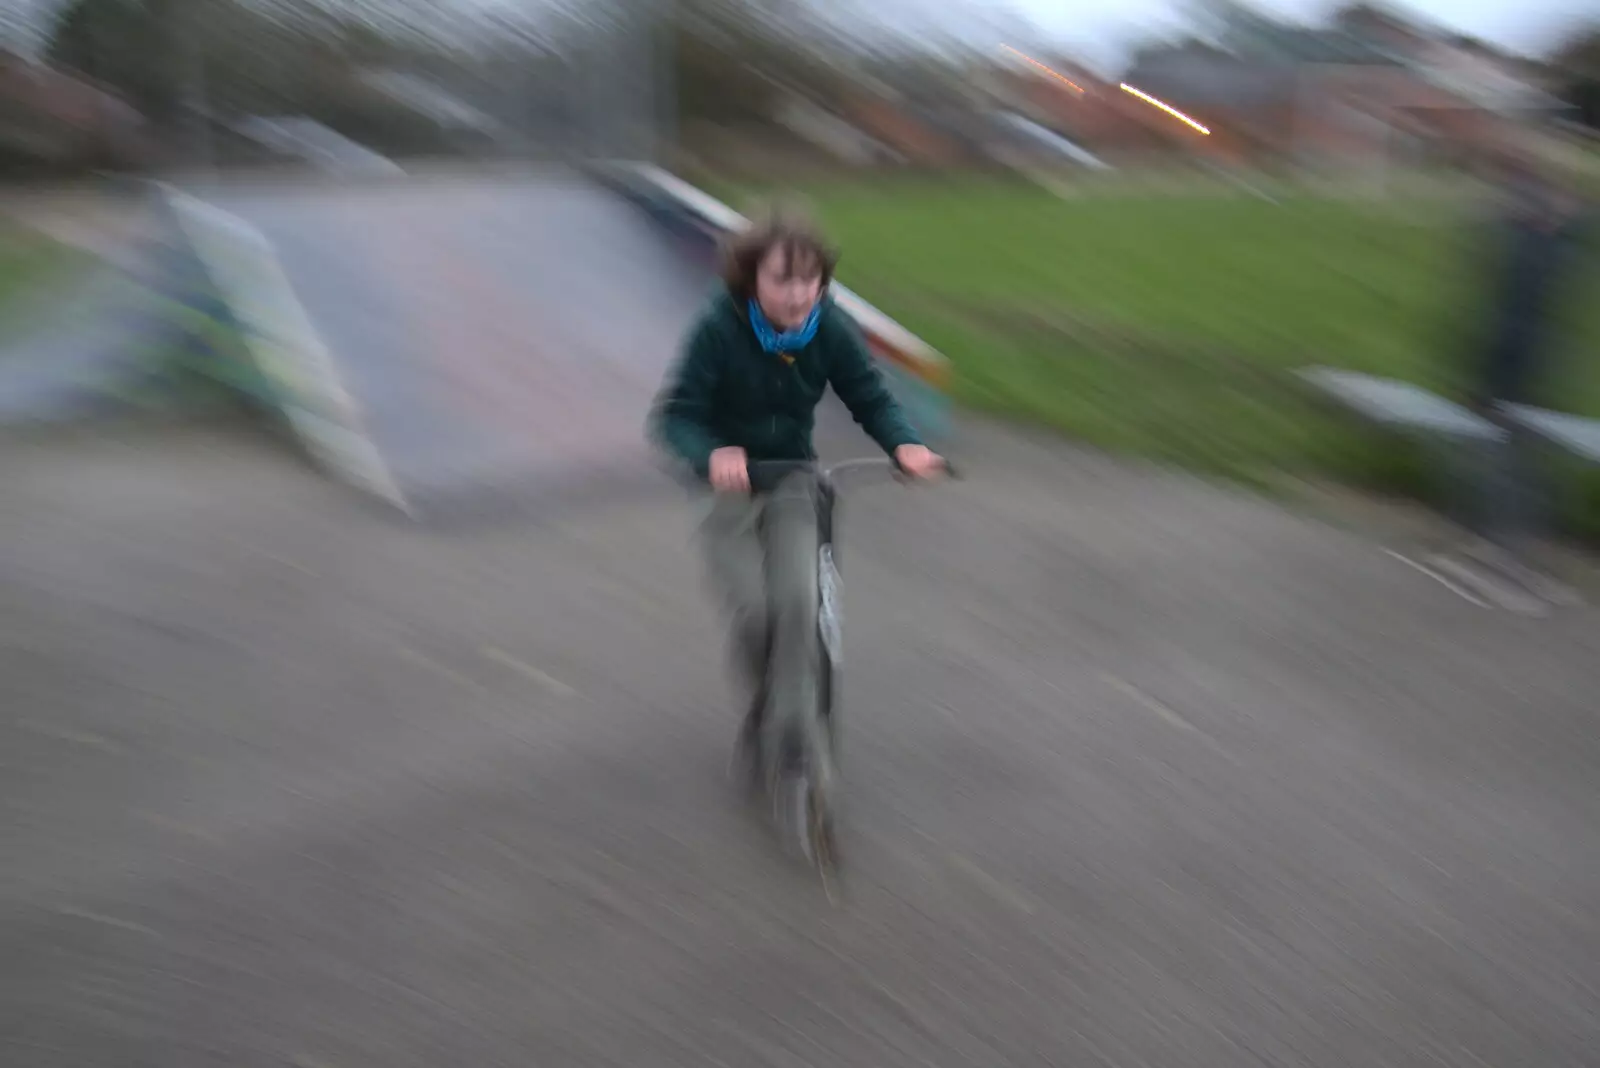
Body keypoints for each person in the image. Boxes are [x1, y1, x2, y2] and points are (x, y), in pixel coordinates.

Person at [648, 206, 945, 772]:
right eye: (782, 278)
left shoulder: (828, 328)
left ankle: (793, 729)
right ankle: (766, 705)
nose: (799, 294)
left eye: (810, 279)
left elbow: (871, 397)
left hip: (790, 480)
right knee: (758, 612)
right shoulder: (719, 329)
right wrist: (711, 452)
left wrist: (905, 445)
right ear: (751, 278)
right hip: (727, 493)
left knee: (800, 606)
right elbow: (673, 417)